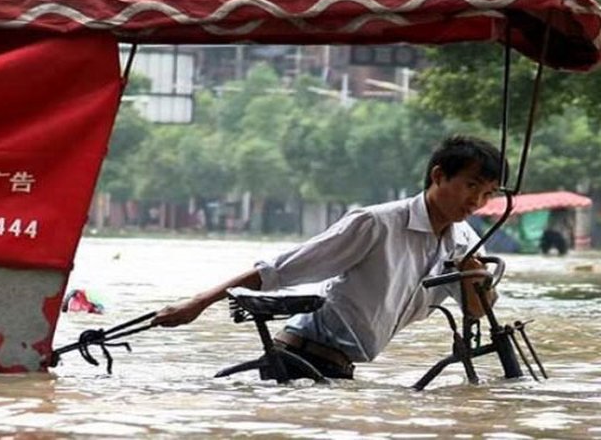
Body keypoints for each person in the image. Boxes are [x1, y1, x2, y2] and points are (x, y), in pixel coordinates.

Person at [152, 135, 501, 379]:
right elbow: (279, 271)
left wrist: (475, 278)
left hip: (342, 368)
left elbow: (476, 312)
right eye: (471, 186)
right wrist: (196, 304)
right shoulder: (376, 223)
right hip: (300, 358)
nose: (477, 202)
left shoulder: (466, 242)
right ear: (439, 175)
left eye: (487, 193)